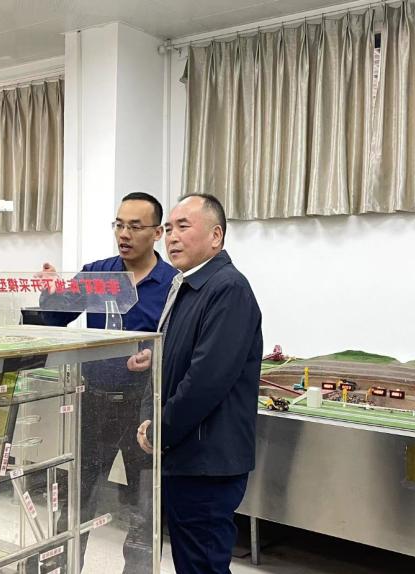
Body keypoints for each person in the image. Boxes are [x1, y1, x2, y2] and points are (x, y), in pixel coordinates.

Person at [38, 191, 176, 573]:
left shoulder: (172, 284)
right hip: (92, 403)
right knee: (75, 502)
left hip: (143, 410)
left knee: (143, 510)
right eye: (119, 225)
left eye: (135, 226)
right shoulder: (98, 275)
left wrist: (156, 357)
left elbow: (182, 343)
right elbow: (52, 321)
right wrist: (50, 293)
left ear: (157, 233)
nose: (124, 234)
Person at [132, 194, 263, 574]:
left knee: (202, 563)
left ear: (215, 235)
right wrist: (156, 362)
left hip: (207, 462)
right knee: (192, 560)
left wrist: (160, 430)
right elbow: (182, 357)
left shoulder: (228, 288)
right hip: (186, 455)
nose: (172, 237)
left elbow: (206, 380)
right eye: (169, 228)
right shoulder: (189, 285)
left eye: (183, 227)